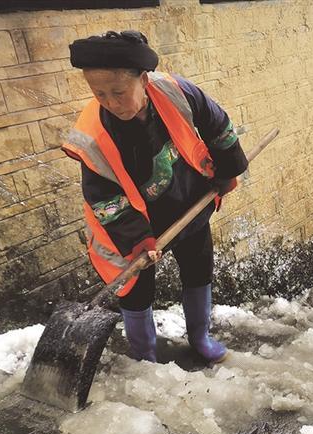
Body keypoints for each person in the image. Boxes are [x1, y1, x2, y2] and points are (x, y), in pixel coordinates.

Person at [63, 30, 248, 363]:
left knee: (198, 268)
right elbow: (103, 196)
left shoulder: (175, 91)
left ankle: (200, 338)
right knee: (136, 290)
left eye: (119, 92)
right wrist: (137, 240)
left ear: (144, 79)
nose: (110, 102)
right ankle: (144, 355)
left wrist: (226, 170)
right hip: (129, 221)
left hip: (186, 201)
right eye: (99, 93)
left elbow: (217, 123)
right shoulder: (91, 135)